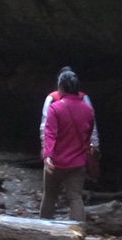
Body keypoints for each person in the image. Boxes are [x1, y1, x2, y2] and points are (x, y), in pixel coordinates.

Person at [41, 69, 97, 222]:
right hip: (78, 163)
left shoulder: (55, 108)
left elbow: (50, 134)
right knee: (75, 198)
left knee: (49, 197)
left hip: (57, 162)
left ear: (62, 88)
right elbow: (88, 133)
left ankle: (42, 230)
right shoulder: (88, 110)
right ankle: (77, 232)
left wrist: (48, 156)